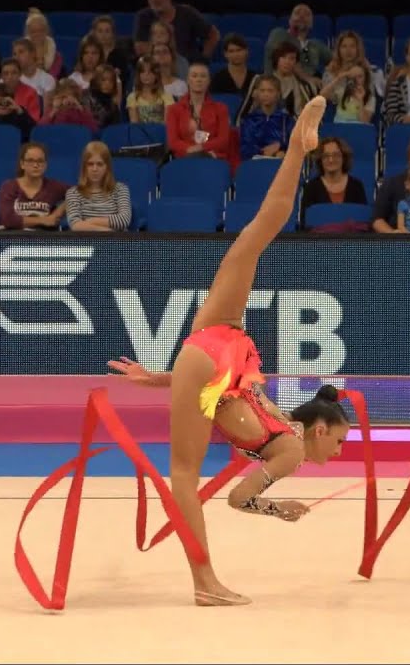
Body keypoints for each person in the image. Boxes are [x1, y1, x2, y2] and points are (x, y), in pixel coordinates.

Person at [108, 96, 350, 608]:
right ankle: (204, 583)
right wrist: (277, 508)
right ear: (319, 430)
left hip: (210, 353)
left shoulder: (283, 427)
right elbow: (240, 497)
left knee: (257, 235)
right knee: (183, 476)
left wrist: (158, 379)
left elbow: (215, 392)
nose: (338, 453)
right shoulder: (291, 450)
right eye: (339, 442)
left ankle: (298, 149)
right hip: (218, 352)